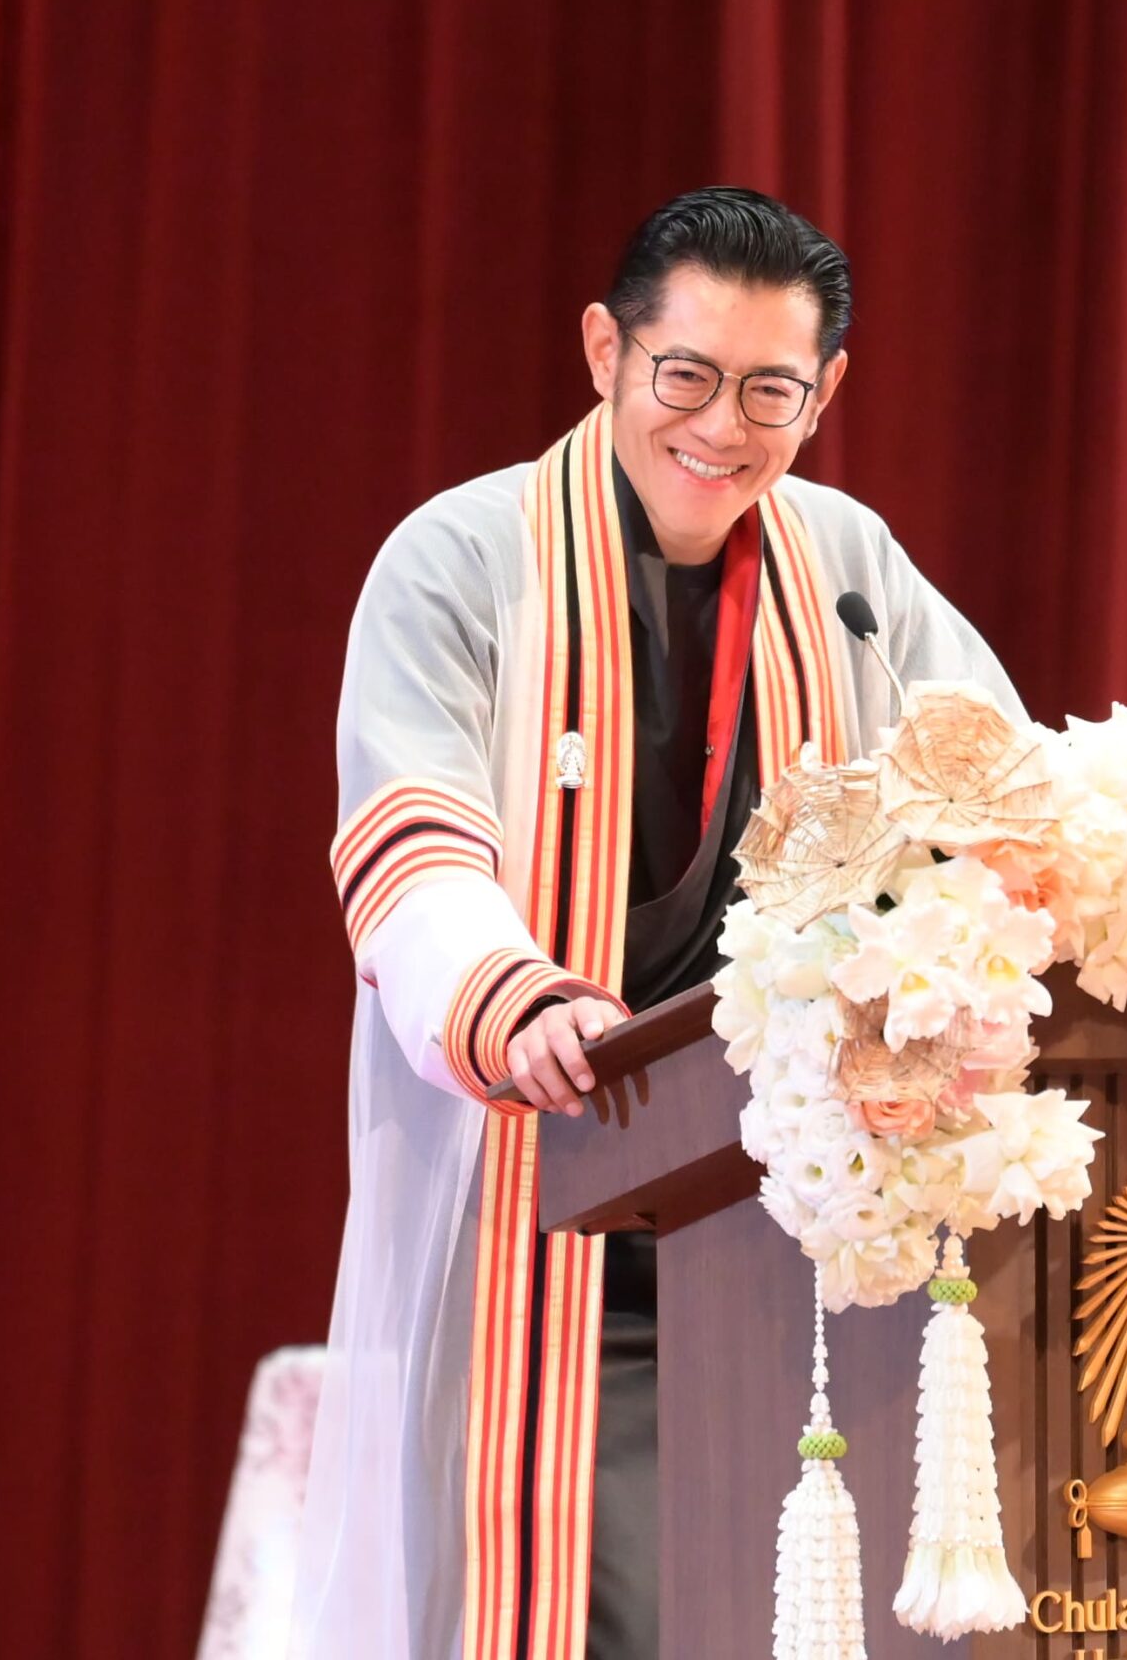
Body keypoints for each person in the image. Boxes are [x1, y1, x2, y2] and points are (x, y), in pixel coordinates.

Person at [290, 187, 1022, 1660]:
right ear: (604, 352)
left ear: (826, 394)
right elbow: (412, 839)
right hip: (552, 1190)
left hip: (795, 1223)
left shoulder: (850, 572)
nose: (723, 427)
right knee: (577, 1610)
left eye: (772, 391)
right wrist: (514, 999)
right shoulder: (464, 558)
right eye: (685, 375)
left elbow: (1009, 797)